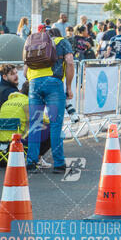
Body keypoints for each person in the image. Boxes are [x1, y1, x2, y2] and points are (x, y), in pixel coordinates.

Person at [24, 27, 74, 174]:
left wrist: (34, 80)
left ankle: (31, 162)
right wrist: (69, 87)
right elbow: (70, 62)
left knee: (35, 122)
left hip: (34, 84)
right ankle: (58, 164)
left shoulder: (33, 44)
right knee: (55, 124)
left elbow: (25, 71)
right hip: (54, 83)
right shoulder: (62, 42)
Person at [0, 80, 51, 168]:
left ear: (21, 90)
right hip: (17, 141)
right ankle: (37, 158)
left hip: (0, 139)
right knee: (51, 129)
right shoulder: (30, 103)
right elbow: (46, 120)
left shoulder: (6, 102)